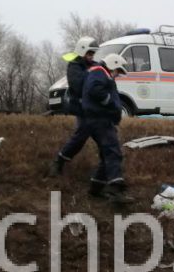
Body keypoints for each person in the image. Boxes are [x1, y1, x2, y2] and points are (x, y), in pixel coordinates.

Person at [79, 52, 134, 205]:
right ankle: (115, 190)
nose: (117, 75)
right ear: (112, 65)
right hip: (100, 120)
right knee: (113, 152)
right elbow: (95, 90)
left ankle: (95, 189)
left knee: (106, 155)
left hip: (98, 120)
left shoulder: (98, 72)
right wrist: (110, 103)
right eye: (117, 71)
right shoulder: (99, 72)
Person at [50, 36, 100, 175]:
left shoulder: (95, 66)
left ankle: (106, 170)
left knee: (106, 139)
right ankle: (58, 161)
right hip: (82, 108)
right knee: (81, 135)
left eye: (93, 54)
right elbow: (78, 86)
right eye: (89, 53)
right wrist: (92, 75)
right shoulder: (74, 66)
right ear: (82, 51)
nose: (91, 56)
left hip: (96, 109)